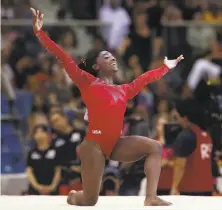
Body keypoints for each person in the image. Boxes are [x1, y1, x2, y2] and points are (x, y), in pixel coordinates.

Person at [30, 8, 184, 206]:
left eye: (112, 55)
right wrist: (39, 33)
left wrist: (166, 67)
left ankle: (151, 197)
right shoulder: (87, 82)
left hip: (115, 144)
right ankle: (73, 196)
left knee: (154, 147)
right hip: (93, 145)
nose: (112, 57)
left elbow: (145, 78)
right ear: (96, 66)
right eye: (105, 56)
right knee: (89, 200)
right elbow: (62, 56)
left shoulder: (124, 90)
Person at [26, 125, 61, 195]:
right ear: (34, 136)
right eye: (36, 133)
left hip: (52, 190)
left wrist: (52, 187)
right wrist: (37, 187)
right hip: (35, 191)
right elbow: (29, 171)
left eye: (42, 132)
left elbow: (58, 171)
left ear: (47, 134)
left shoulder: (56, 151)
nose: (39, 134)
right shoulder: (31, 153)